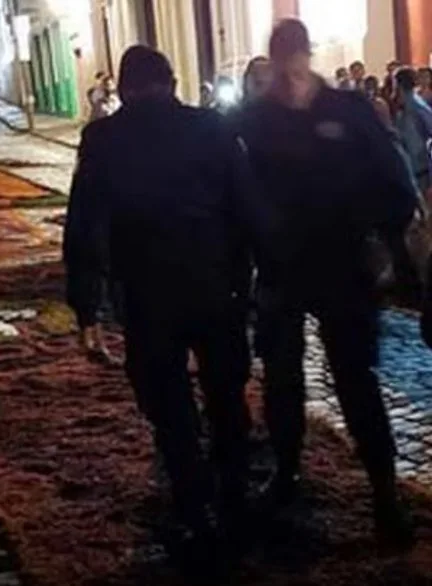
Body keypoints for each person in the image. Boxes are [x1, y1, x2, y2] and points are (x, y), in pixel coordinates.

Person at [65, 45, 273, 575]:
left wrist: (85, 307)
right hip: (215, 287)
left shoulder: (104, 139)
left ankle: (194, 503)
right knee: (227, 395)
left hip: (147, 295)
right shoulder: (214, 128)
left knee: (170, 407)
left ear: (124, 90)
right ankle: (235, 493)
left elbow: (84, 225)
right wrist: (260, 280)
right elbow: (248, 206)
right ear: (174, 81)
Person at [235, 19, 417, 548]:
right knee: (283, 380)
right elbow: (238, 190)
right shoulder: (254, 119)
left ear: (302, 56)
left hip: (340, 267)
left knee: (354, 382)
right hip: (282, 269)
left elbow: (392, 179)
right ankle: (289, 476)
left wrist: (380, 238)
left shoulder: (347, 110)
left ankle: (384, 494)